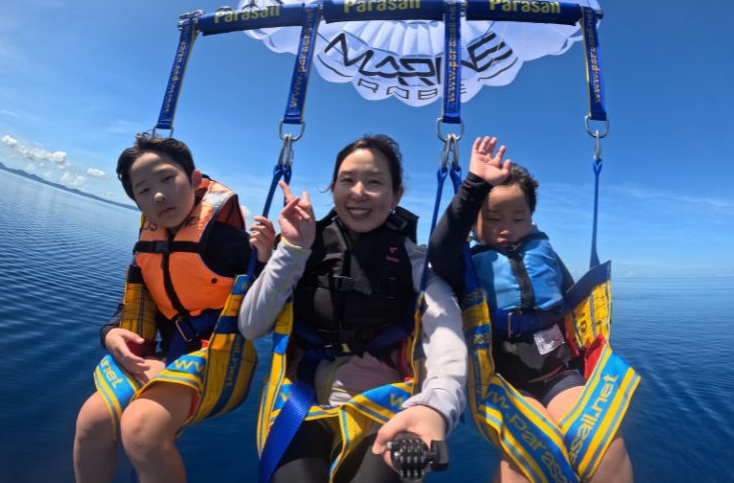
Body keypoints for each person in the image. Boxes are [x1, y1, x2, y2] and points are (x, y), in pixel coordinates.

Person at [238, 134, 467, 483]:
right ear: (332, 188)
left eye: (374, 182)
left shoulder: (416, 263)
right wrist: (293, 249)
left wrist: (437, 405)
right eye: (347, 180)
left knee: (405, 467)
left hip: (392, 407)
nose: (358, 192)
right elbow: (251, 327)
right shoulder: (303, 247)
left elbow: (446, 332)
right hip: (303, 402)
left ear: (397, 195)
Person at [428, 136, 634, 483]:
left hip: (560, 372)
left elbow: (569, 302)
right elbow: (440, 245)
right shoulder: (464, 264)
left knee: (605, 445)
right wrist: (475, 184)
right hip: (502, 383)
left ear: (532, 220)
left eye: (519, 217)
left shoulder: (544, 253)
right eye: (492, 218)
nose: (507, 227)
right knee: (524, 457)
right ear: (474, 226)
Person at [73, 134, 274, 483]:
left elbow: (271, 310)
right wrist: (111, 334)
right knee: (91, 422)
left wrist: (271, 260)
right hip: (164, 357)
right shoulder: (149, 246)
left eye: (167, 179)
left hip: (219, 360)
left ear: (195, 181)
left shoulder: (231, 244)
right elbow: (136, 302)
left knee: (142, 431)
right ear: (137, 202)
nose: (159, 195)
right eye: (144, 190)